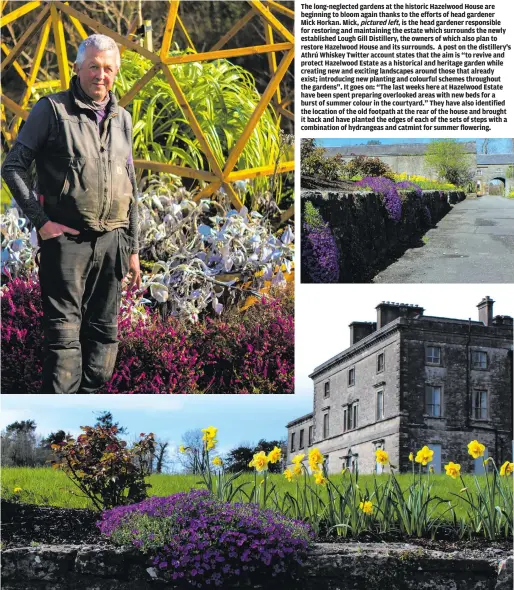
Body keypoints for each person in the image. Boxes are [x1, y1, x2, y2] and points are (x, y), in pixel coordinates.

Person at [2, 34, 141, 393]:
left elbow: (131, 187)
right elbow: (13, 167)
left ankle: (89, 405)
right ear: (78, 68)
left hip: (113, 243)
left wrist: (134, 249)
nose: (101, 75)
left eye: (108, 68)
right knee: (63, 342)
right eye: (93, 66)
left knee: (104, 338)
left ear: (116, 73)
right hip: (67, 245)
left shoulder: (122, 118)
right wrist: (42, 222)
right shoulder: (51, 110)